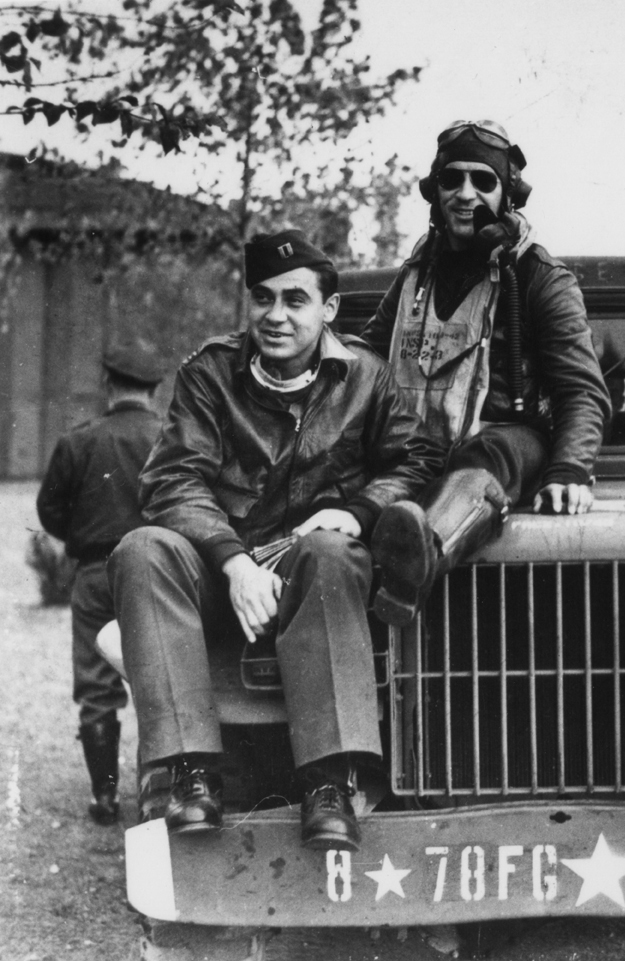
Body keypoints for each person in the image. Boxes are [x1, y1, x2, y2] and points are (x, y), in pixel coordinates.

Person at [108, 231, 442, 851]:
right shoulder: (210, 373)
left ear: (329, 310)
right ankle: (192, 776)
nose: (276, 316)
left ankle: (328, 784)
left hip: (316, 574)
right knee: (143, 548)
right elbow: (174, 478)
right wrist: (233, 563)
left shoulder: (368, 378)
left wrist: (361, 510)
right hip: (224, 571)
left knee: (333, 548)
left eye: (296, 300)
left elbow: (416, 459)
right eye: (263, 299)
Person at [360, 120, 610, 625]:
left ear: (507, 195)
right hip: (418, 447)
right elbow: (365, 357)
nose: (465, 194)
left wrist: (569, 469)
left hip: (503, 446)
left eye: (483, 181)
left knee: (489, 451)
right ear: (435, 191)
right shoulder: (413, 278)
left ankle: (418, 555)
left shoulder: (540, 276)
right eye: (452, 180)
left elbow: (582, 391)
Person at [36, 344, 165, 825]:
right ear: (154, 390)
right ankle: (168, 794)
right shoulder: (168, 438)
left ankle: (105, 797)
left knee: (96, 687)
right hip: (154, 572)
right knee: (163, 678)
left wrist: (83, 538)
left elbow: (49, 510)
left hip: (94, 574)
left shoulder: (79, 440)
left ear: (109, 385)